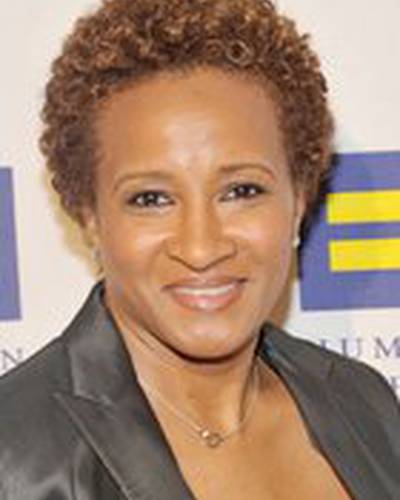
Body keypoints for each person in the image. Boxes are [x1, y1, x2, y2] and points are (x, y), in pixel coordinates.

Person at [0, 0, 399, 498]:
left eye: (241, 191)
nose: (201, 247)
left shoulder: (362, 401)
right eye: (151, 199)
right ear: (89, 216)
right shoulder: (15, 458)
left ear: (299, 198)